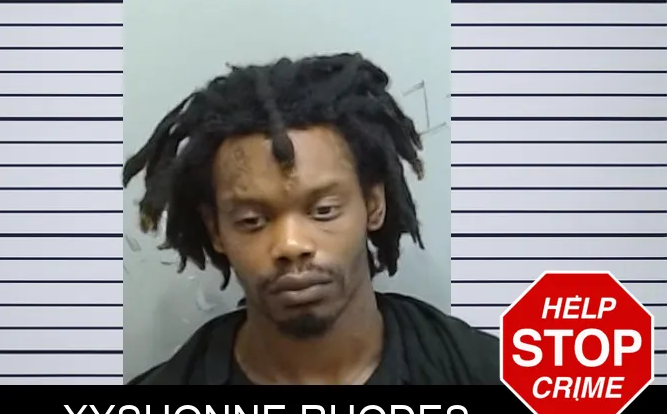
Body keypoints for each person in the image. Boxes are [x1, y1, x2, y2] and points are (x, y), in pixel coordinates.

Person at [123, 53, 499, 385]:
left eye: (323, 211)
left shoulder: (490, 375)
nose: (291, 245)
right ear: (215, 230)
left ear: (373, 203)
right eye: (252, 220)